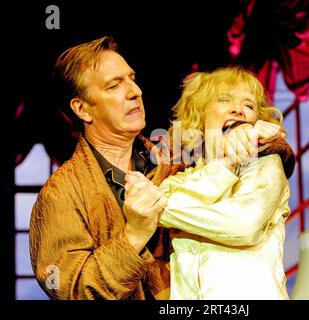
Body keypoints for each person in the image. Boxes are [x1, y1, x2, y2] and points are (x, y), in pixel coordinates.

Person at [125, 67, 294, 299]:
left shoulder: (265, 163)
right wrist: (225, 165)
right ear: (201, 115)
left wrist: (151, 210)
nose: (238, 109)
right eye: (224, 100)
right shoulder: (180, 177)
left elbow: (244, 226)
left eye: (249, 105)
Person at [29, 36, 170, 300]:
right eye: (114, 85)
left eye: (131, 77)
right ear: (82, 109)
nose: (135, 91)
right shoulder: (59, 195)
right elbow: (73, 291)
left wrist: (257, 135)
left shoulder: (173, 161)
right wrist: (133, 236)